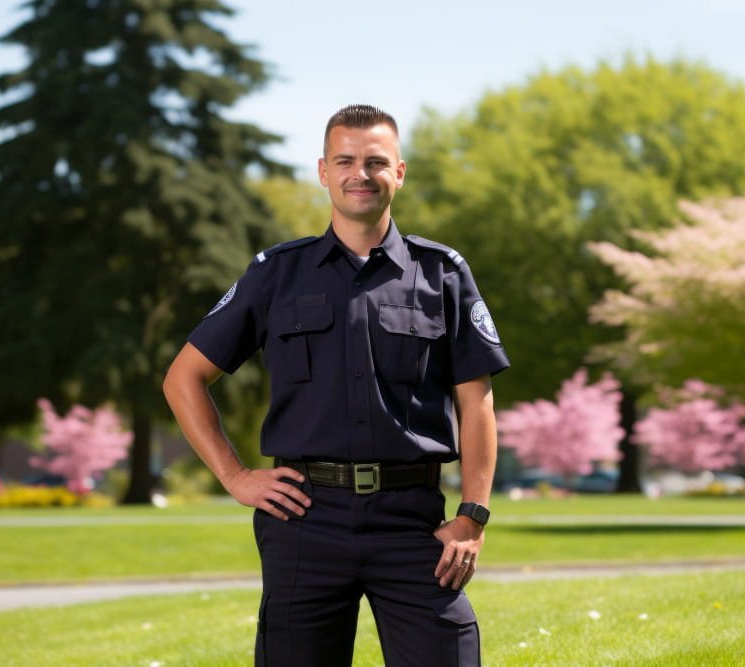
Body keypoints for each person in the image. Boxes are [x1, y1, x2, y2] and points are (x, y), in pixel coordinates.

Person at [163, 104, 509, 666]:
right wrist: (235, 476)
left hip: (412, 522)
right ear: (323, 171)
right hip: (304, 520)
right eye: (345, 161)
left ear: (399, 172)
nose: (359, 174)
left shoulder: (442, 273)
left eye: (376, 162)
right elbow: (184, 378)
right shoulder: (276, 273)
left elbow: (477, 405)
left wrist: (473, 515)